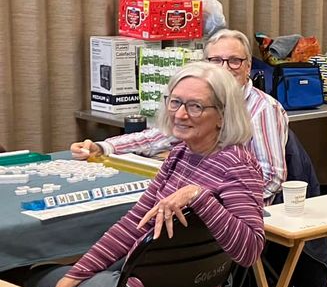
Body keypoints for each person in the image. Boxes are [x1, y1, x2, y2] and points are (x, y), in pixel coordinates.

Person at [24, 62, 265, 287]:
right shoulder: (182, 154)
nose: (180, 114)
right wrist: (74, 277)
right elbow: (130, 226)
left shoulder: (237, 165)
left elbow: (250, 252)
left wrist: (199, 197)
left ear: (222, 115)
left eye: (195, 106)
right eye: (174, 102)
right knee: (67, 278)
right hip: (163, 286)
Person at [71, 28, 288, 200]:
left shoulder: (264, 108)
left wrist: (209, 198)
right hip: (195, 200)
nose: (224, 68)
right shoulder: (199, 101)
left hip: (238, 210)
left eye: (234, 60)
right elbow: (159, 136)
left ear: (248, 66)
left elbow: (271, 177)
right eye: (215, 61)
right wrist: (103, 147)